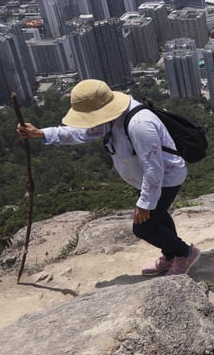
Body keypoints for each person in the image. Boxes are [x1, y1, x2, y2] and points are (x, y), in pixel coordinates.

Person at [16, 79, 200, 277]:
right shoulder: (112, 118)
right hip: (145, 179)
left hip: (165, 179)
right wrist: (42, 134)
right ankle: (170, 255)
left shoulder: (140, 124)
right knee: (160, 217)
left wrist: (145, 202)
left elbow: (154, 168)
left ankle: (184, 253)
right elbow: (82, 133)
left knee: (144, 228)